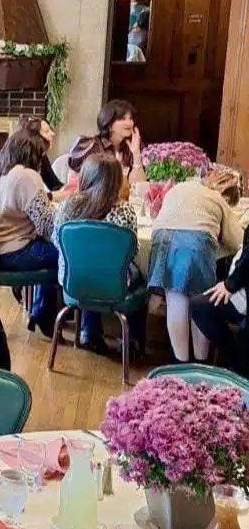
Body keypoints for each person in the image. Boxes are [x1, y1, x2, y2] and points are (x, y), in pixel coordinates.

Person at [148, 166, 244, 361]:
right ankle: (201, 360)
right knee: (200, 301)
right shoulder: (218, 200)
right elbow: (238, 241)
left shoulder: (180, 187)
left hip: (161, 239)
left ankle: (180, 362)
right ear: (228, 196)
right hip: (195, 242)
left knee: (175, 298)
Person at [53, 153, 143, 355]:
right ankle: (130, 340)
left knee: (86, 265)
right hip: (111, 284)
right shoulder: (125, 211)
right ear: (116, 181)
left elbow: (56, 241)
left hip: (72, 281)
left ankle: (89, 332)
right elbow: (132, 252)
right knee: (138, 274)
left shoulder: (67, 206)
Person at [0, 127, 60, 334]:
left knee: (50, 250)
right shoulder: (27, 176)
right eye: (41, 153)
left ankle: (40, 309)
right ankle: (46, 312)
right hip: (15, 252)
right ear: (33, 152)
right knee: (70, 252)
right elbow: (47, 226)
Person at [190, 239, 249, 375]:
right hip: (239, 292)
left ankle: (239, 364)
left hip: (238, 289)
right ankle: (236, 360)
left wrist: (230, 285)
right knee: (200, 305)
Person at [68, 99, 146, 184]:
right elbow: (74, 183)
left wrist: (136, 153)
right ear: (109, 124)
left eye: (130, 118)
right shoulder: (89, 146)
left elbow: (138, 185)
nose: (129, 123)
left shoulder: (131, 147)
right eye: (123, 119)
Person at [19, 115, 63, 191]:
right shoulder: (23, 160)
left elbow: (54, 185)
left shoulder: (42, 156)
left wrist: (70, 189)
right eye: (46, 131)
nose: (53, 133)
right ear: (35, 138)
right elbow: (32, 196)